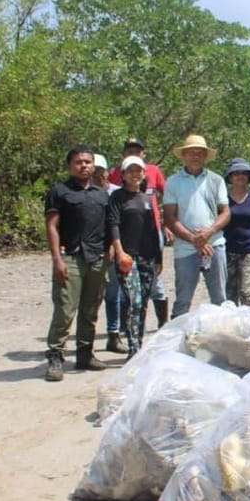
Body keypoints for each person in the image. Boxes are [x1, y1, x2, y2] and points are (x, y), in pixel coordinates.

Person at [42, 145, 111, 381]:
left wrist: (109, 255)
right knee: (64, 309)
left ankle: (85, 354)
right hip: (70, 256)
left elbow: (109, 229)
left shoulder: (101, 194)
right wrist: (56, 259)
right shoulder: (59, 191)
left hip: (96, 258)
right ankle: (55, 357)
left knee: (91, 309)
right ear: (70, 166)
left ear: (94, 166)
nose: (84, 166)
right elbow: (52, 226)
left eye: (88, 162)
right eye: (79, 162)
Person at [162, 135, 229, 318]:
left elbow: (225, 212)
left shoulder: (216, 180)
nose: (195, 156)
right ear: (184, 155)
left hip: (214, 245)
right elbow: (169, 216)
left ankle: (220, 337)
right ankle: (176, 338)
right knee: (183, 299)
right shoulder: (173, 181)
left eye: (200, 153)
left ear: (205, 156)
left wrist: (208, 232)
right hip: (185, 248)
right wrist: (194, 240)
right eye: (191, 152)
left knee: (220, 298)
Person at [108, 137, 171, 329]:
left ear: (144, 154)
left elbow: (167, 195)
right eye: (129, 150)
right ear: (124, 154)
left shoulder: (153, 171)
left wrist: (167, 224)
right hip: (125, 233)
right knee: (121, 285)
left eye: (137, 150)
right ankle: (120, 329)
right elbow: (111, 204)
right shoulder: (115, 173)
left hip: (151, 230)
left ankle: (162, 324)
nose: (133, 152)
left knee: (155, 281)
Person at [107, 155, 163, 359]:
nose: (135, 174)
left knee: (144, 303)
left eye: (138, 170)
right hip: (127, 257)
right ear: (123, 174)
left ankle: (138, 345)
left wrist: (159, 258)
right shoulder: (117, 197)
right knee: (133, 301)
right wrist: (119, 251)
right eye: (130, 170)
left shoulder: (147, 199)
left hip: (147, 257)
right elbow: (113, 224)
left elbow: (152, 228)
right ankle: (133, 348)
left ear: (143, 174)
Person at [94, 154, 126, 353]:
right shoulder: (84, 193)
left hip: (115, 249)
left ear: (107, 172)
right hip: (92, 251)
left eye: (100, 170)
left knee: (114, 293)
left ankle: (113, 335)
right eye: (94, 171)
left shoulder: (117, 193)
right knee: (91, 296)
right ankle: (85, 340)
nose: (97, 175)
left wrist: (116, 247)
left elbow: (120, 223)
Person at [223, 158, 250, 306]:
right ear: (230, 177)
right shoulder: (222, 198)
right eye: (236, 173)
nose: (240, 176)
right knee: (229, 293)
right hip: (227, 250)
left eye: (244, 173)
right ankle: (231, 325)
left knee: (245, 292)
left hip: (249, 250)